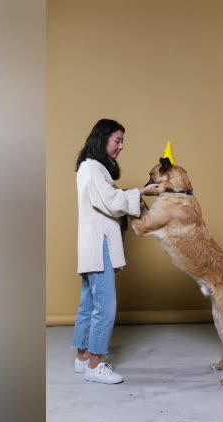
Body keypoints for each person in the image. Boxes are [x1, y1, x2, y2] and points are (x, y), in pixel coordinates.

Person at [72, 118, 161, 384]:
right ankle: (96, 365)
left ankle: (83, 357)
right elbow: (111, 203)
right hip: (100, 246)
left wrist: (134, 194)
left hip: (95, 243)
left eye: (122, 141)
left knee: (89, 303)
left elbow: (107, 201)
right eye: (117, 140)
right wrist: (142, 191)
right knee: (105, 306)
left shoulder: (94, 169)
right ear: (103, 138)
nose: (121, 146)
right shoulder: (92, 168)